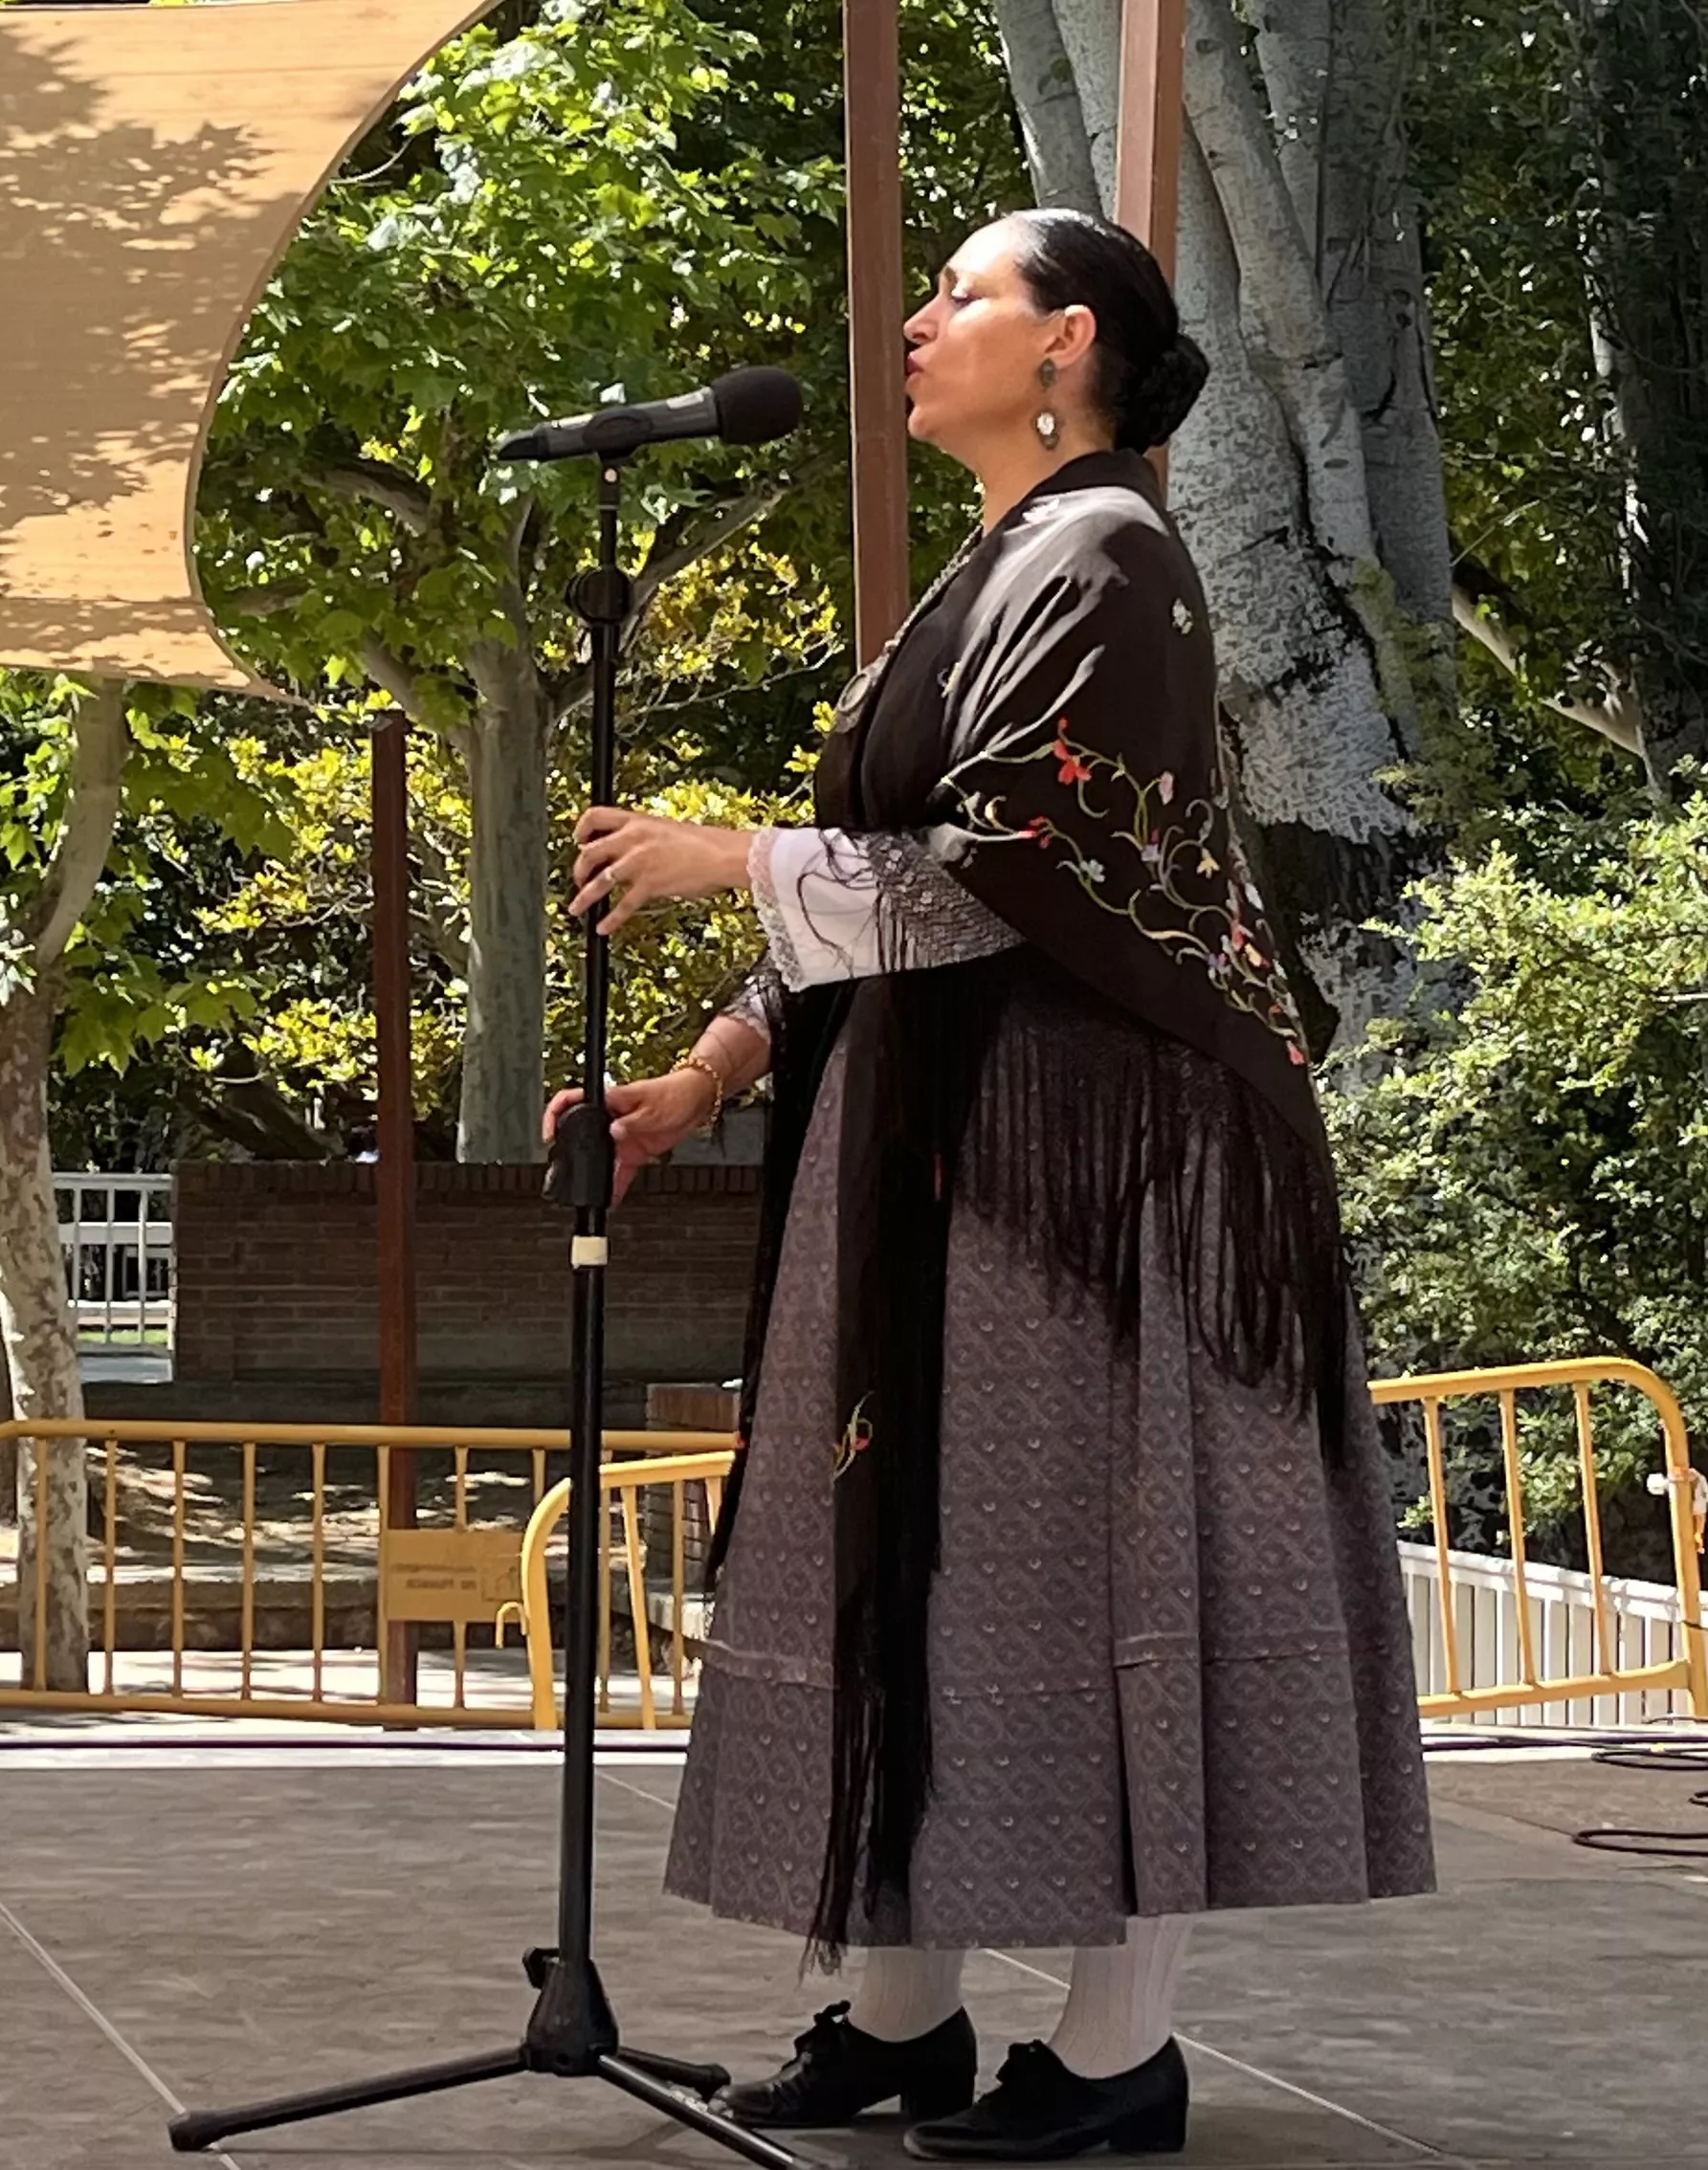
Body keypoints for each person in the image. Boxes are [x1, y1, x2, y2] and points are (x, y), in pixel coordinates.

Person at [557, 208, 1430, 2162]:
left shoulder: (1111, 554)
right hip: (948, 1153)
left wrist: (721, 854)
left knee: (1093, 1580)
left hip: (1091, 1175)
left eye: (964, 293)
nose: (917, 320)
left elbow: (1018, 866)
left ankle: (1120, 2061)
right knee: (925, 1572)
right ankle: (902, 2019)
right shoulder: (1005, 567)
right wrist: (704, 1075)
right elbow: (889, 886)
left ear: (1073, 347)